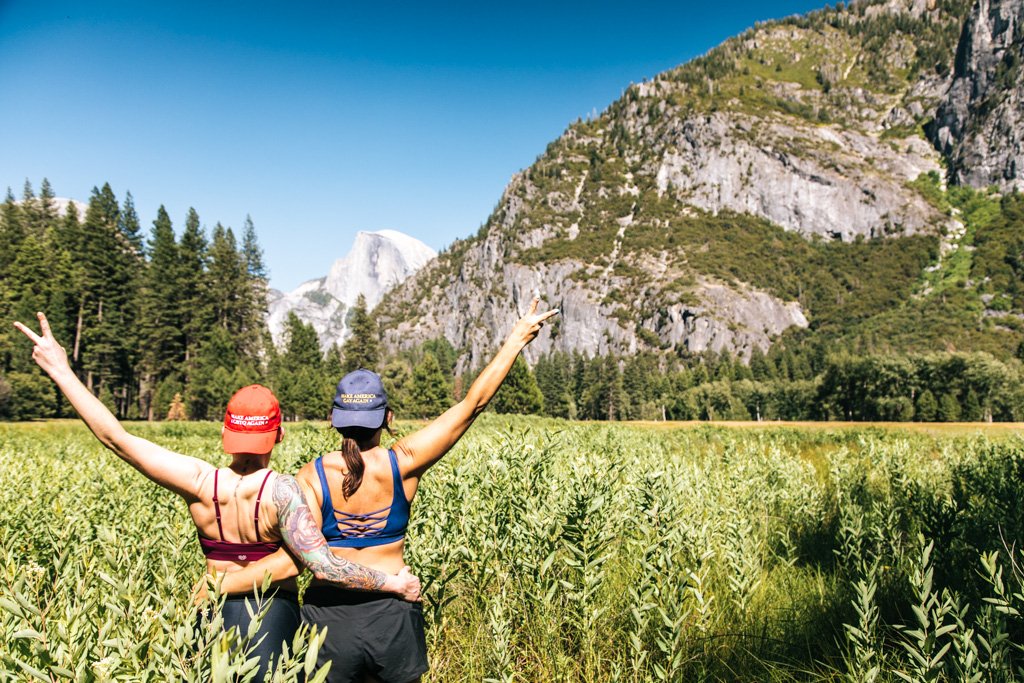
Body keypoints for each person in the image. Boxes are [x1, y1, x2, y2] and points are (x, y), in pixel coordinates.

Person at [13, 312, 421, 680]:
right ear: (277, 435)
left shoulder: (198, 481)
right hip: (271, 616)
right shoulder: (284, 491)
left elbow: (117, 439)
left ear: (226, 432)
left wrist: (62, 372)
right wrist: (393, 584)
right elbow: (326, 566)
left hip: (207, 614)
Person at [219, 297, 559, 683]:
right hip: (394, 618)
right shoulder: (405, 463)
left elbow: (300, 559)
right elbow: (472, 405)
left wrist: (223, 581)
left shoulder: (311, 476)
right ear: (388, 417)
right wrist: (516, 338)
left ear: (334, 420)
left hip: (328, 623)